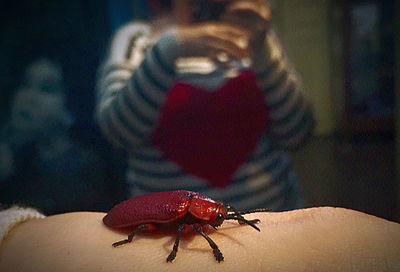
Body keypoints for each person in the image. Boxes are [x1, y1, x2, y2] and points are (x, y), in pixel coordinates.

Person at [95, 0, 315, 211]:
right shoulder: (137, 39)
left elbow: (297, 133)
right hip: (171, 233)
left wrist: (261, 49)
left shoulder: (257, 37)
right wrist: (168, 51)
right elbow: (118, 133)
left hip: (273, 223)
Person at [0, 206, 399, 271]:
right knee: (156, 229)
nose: (221, 220)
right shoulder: (185, 217)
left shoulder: (200, 210)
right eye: (220, 218)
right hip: (130, 216)